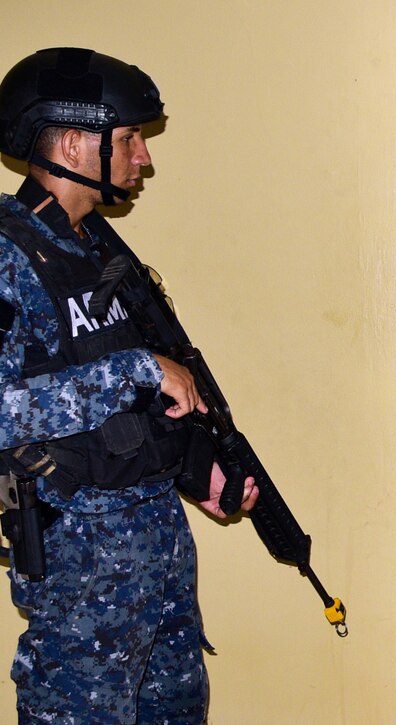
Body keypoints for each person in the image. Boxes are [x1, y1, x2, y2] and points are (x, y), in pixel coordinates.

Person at [0, 47, 258, 722]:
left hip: (155, 552)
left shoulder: (99, 251)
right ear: (75, 142)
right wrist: (135, 369)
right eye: (132, 139)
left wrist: (194, 468)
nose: (145, 159)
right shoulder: (6, 254)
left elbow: (135, 400)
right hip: (79, 568)